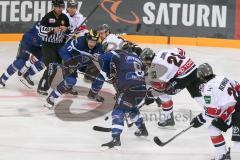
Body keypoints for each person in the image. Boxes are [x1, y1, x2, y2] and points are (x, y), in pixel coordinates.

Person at [99, 43, 148, 150]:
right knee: (131, 107)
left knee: (118, 111)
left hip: (129, 89)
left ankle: (116, 139)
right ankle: (142, 129)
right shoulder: (138, 59)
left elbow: (102, 58)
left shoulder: (119, 53)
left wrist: (109, 72)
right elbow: (144, 73)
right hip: (142, 89)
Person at [190, 63, 240, 160]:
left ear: (201, 76)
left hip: (236, 110)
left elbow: (213, 112)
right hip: (231, 109)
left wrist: (200, 119)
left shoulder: (208, 89)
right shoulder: (222, 77)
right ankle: (223, 155)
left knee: (238, 144)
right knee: (213, 129)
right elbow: (237, 85)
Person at [44, 29, 104, 108]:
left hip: (85, 65)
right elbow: (63, 51)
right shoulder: (78, 42)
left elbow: (102, 60)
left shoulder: (99, 47)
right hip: (72, 63)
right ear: (87, 39)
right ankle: (52, 97)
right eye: (91, 41)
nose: (92, 44)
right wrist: (70, 62)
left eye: (94, 42)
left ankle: (93, 94)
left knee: (100, 79)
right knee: (70, 81)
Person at [140, 47, 197, 127]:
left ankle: (168, 118)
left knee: (164, 92)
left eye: (145, 61)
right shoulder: (162, 52)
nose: (145, 63)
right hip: (193, 66)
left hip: (184, 76)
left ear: (148, 59)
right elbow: (181, 51)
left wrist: (150, 96)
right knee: (198, 94)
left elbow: (160, 87)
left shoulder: (155, 68)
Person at [37, 0, 70, 95]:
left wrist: (67, 30)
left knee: (59, 68)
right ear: (54, 7)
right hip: (48, 45)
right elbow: (40, 32)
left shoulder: (65, 17)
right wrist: (51, 31)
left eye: (62, 7)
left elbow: (70, 34)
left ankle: (56, 85)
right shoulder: (47, 17)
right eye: (58, 7)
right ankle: (42, 88)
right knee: (51, 66)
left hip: (60, 45)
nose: (60, 9)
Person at [0, 22, 44, 88]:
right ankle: (2, 79)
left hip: (39, 45)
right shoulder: (46, 21)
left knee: (45, 61)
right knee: (20, 62)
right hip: (27, 42)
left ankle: (27, 74)